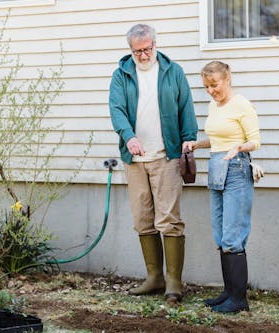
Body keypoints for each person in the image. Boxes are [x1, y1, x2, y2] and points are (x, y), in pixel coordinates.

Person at [109, 24, 198, 304]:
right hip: (135, 160)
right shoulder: (122, 75)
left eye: (148, 49)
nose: (144, 55)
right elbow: (117, 110)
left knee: (169, 219)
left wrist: (189, 139)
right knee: (143, 219)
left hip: (167, 155)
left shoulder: (173, 72)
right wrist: (129, 136)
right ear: (130, 50)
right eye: (138, 51)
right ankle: (154, 278)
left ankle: (174, 282)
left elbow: (187, 107)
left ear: (155, 44)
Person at [183, 61, 260, 313]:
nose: (211, 90)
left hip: (236, 168)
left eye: (214, 84)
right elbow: (218, 140)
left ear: (227, 79)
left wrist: (239, 147)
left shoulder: (242, 104)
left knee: (232, 234)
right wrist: (196, 145)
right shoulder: (213, 106)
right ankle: (228, 293)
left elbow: (254, 142)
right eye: (206, 86)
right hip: (217, 167)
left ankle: (239, 300)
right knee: (220, 233)